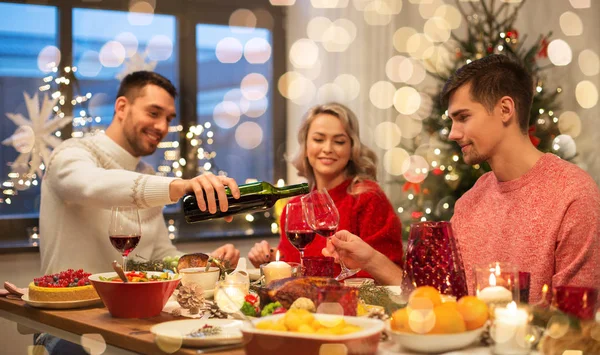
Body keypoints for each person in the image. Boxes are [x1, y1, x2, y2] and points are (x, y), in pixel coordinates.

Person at [324, 54, 600, 303]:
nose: (453, 133)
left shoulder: (573, 195)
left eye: (463, 117)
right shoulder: (471, 201)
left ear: (506, 109)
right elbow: (436, 300)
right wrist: (369, 258)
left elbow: (575, 324)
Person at [40, 71, 241, 276]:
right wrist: (179, 186)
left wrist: (205, 264)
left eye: (169, 118)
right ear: (121, 107)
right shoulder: (69, 154)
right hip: (64, 305)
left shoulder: (146, 173)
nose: (163, 127)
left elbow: (159, 256)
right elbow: (90, 185)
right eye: (153, 113)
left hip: (125, 307)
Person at [247, 102, 403, 279]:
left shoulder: (368, 198)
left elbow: (394, 278)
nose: (327, 149)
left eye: (339, 141)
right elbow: (292, 271)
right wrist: (268, 260)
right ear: (305, 146)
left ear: (352, 149)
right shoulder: (295, 206)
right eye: (319, 139)